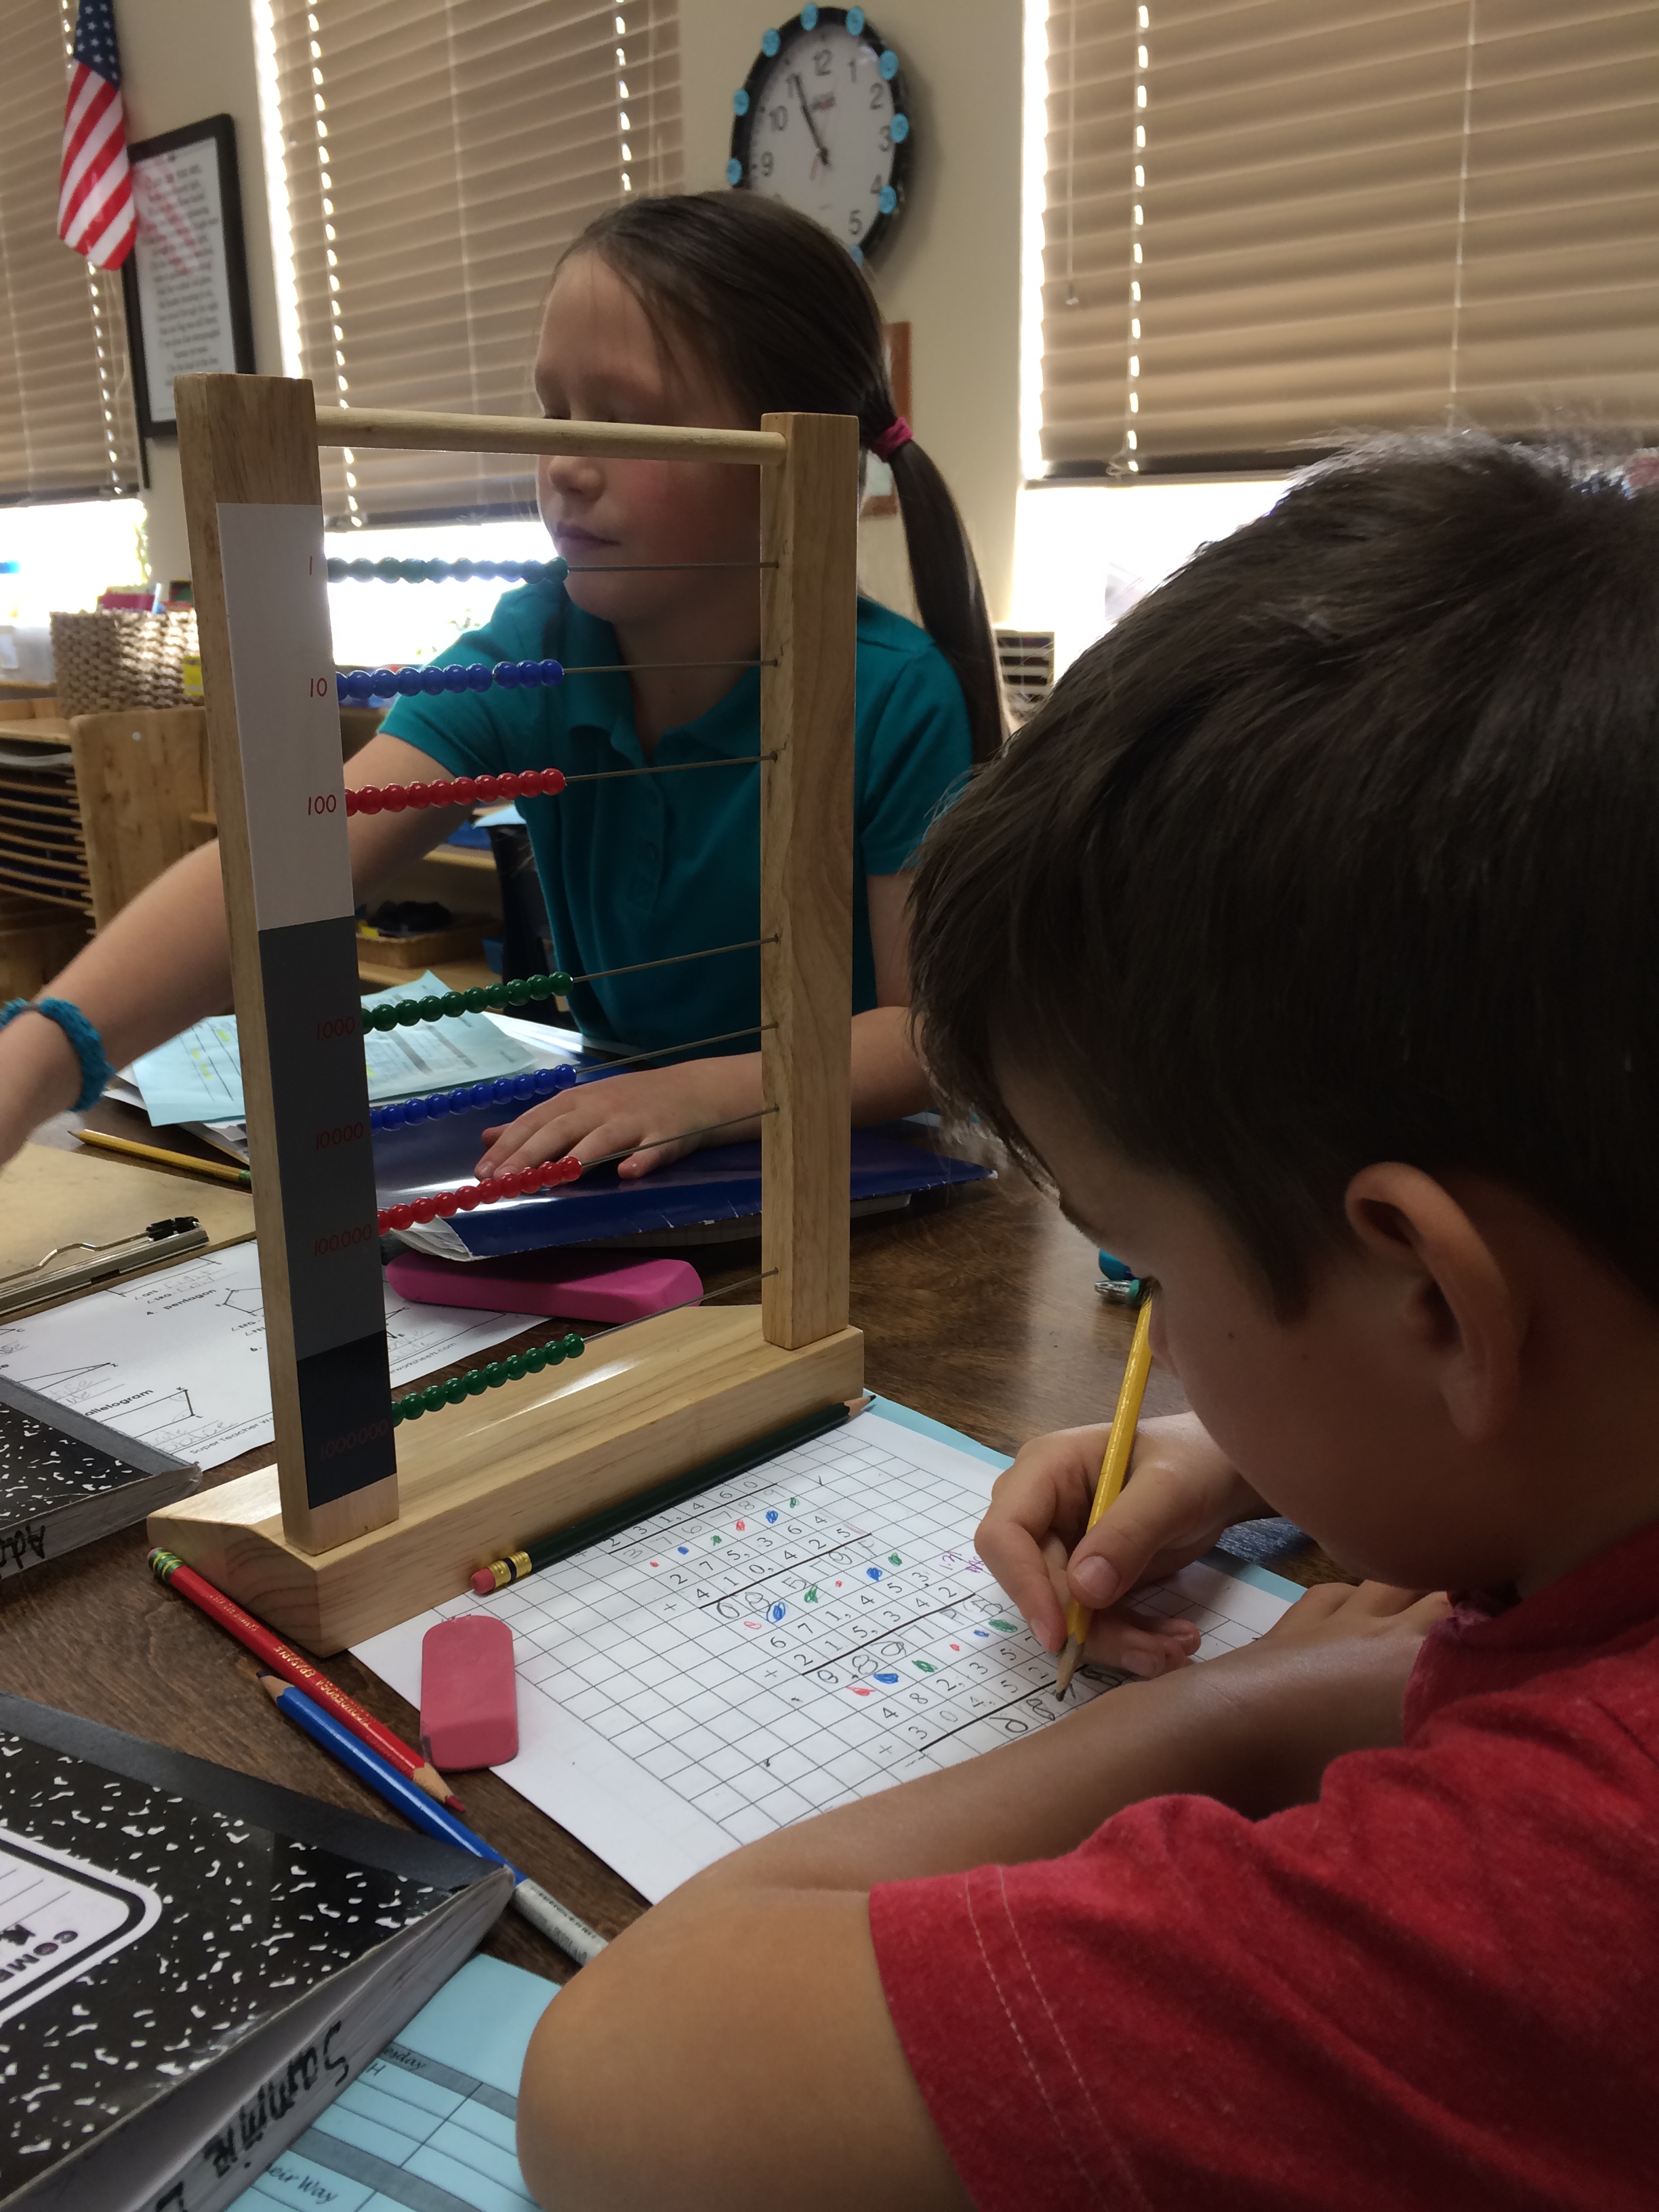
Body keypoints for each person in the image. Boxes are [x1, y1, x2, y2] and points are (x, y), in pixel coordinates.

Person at [514, 434, 1659, 2211]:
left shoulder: (1561, 1881)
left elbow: (625, 2090)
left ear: (1435, 1301)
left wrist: (1246, 1708)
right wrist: (1254, 1450)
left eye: (1151, 1276)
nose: (1159, 1355)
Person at [0, 192, 998, 1181]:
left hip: (848, 1164)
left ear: (793, 456)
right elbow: (287, 866)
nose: (566, 465)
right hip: (618, 1146)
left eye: (628, 419)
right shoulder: (539, 647)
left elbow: (927, 1034)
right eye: (554, 412)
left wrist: (706, 1094)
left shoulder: (890, 697)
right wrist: (39, 1058)